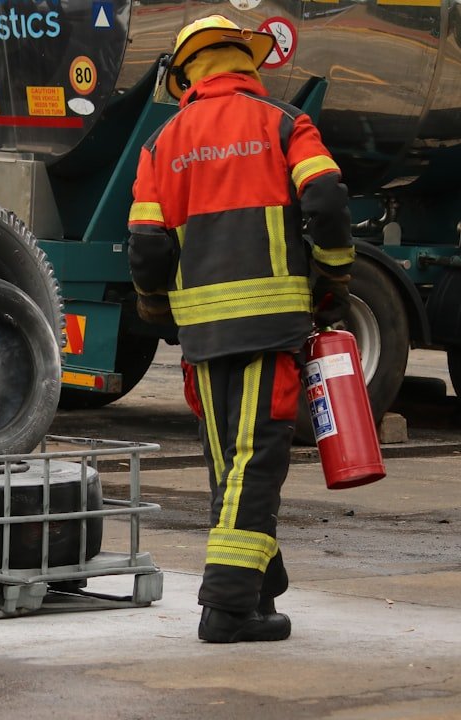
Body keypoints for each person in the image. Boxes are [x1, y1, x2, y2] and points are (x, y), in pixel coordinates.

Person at [127, 15, 354, 643]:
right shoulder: (284, 124)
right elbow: (328, 200)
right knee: (254, 464)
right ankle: (227, 608)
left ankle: (259, 585)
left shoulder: (161, 144)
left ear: (185, 75)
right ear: (246, 62)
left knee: (232, 467)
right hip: (269, 326)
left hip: (202, 338)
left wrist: (156, 312)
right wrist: (332, 278)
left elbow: (146, 248)